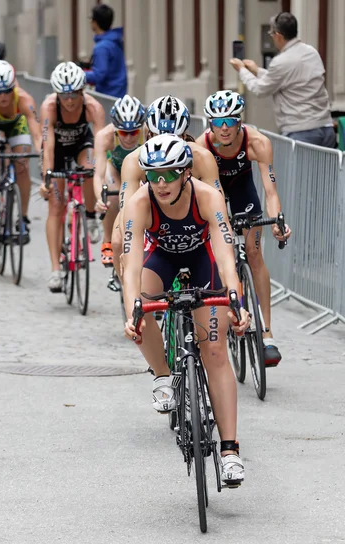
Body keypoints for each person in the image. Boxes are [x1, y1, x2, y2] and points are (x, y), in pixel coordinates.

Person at [122, 133, 250, 486]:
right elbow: (131, 264)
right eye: (152, 175)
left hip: (202, 260)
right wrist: (132, 309)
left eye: (169, 174)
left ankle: (229, 451)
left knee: (214, 350)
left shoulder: (208, 197)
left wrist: (236, 299)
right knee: (140, 310)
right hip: (160, 259)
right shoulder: (139, 202)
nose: (160, 184)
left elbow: (225, 256)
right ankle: (163, 375)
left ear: (186, 172)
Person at [196, 90, 292, 366]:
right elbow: (206, 191)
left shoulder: (258, 142)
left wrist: (277, 221)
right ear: (210, 123)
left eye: (230, 120)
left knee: (253, 253)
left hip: (242, 190)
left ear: (240, 121)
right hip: (212, 192)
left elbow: (270, 191)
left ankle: (267, 332)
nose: (224, 128)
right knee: (215, 256)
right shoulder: (203, 147)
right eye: (218, 121)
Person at [114, 95, 222, 280]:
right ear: (149, 134)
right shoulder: (134, 160)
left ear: (184, 136)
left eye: (174, 138)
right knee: (117, 242)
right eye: (159, 137)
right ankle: (132, 296)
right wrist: (128, 249)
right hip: (148, 212)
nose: (165, 144)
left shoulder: (201, 158)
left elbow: (216, 200)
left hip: (189, 219)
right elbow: (126, 209)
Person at [39, 61, 106, 292]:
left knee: (89, 167)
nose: (69, 100)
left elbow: (101, 144)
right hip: (57, 149)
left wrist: (101, 175)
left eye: (74, 95)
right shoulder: (49, 106)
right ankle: (55, 269)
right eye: (64, 95)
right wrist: (47, 177)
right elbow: (47, 145)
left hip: (82, 144)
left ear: (82, 91)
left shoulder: (93, 107)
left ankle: (89, 215)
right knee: (56, 207)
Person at [230, 12, 335, 148]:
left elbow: (260, 89)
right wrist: (256, 70)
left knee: (299, 170)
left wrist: (242, 70)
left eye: (272, 34)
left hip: (301, 131)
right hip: (326, 127)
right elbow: (288, 80)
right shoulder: (312, 52)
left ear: (278, 36)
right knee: (325, 170)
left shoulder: (281, 61)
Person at [0, 60, 41, 241]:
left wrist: (43, 155)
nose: (3, 96)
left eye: (7, 91)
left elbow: (37, 135)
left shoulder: (25, 99)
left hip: (16, 124)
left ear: (14, 87)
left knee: (22, 164)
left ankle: (23, 217)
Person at [93, 94, 146, 268]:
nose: (129, 137)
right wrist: (100, 198)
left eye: (134, 132)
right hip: (115, 168)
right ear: (115, 128)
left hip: (140, 168)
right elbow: (99, 174)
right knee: (112, 197)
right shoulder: (105, 136)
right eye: (124, 132)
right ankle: (108, 242)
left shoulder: (148, 133)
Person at [84, 3, 127, 98]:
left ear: (95, 23)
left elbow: (98, 75)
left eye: (91, 19)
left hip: (107, 97)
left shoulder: (102, 47)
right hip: (118, 94)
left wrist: (78, 74)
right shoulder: (115, 41)